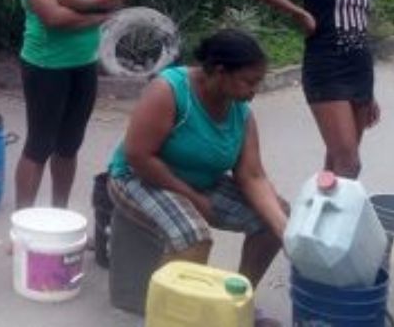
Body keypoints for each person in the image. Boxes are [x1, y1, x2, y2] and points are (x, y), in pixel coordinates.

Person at [107, 29, 288, 288]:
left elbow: (252, 175)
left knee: (273, 219)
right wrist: (192, 198)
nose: (254, 91)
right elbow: (139, 156)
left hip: (199, 183)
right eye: (248, 82)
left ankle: (236, 299)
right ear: (219, 71)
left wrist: (283, 228)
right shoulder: (169, 90)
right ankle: (173, 313)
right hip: (138, 178)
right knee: (192, 236)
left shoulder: (241, 111)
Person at [240, 0, 388, 178]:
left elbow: (359, 30)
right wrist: (298, 13)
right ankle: (333, 220)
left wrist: (370, 93)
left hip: (360, 72)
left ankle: (319, 218)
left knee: (336, 164)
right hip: (327, 70)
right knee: (349, 165)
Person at [12, 0, 127, 209]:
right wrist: (103, 14)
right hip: (46, 66)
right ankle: (24, 228)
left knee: (69, 145)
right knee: (40, 145)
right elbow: (54, 19)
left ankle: (59, 217)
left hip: (83, 63)